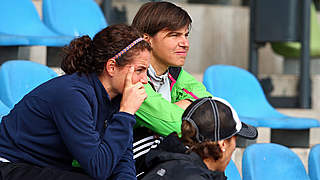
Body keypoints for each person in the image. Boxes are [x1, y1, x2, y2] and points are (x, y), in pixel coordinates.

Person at [0, 24, 151, 180]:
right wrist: (126, 113)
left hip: (44, 167)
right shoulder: (72, 95)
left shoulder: (117, 97)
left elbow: (122, 158)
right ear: (112, 67)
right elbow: (99, 168)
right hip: (10, 164)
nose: (145, 80)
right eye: (139, 70)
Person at [131, 1, 213, 176]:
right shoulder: (132, 75)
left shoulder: (175, 73)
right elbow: (172, 124)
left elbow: (209, 106)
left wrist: (176, 108)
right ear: (147, 40)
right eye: (174, 35)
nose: (185, 43)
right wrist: (186, 107)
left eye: (186, 35)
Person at [141, 97, 258, 180]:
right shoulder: (192, 175)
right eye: (234, 139)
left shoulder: (168, 160)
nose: (234, 148)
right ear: (222, 144)